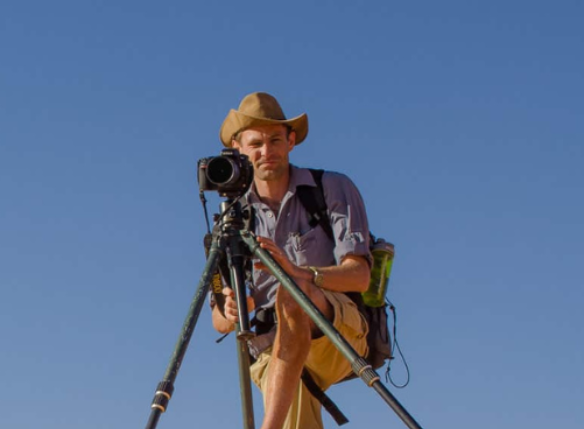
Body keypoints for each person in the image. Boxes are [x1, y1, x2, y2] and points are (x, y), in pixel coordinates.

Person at [211, 92, 372, 429]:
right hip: (273, 352)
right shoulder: (232, 218)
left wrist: (299, 273)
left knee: (292, 293)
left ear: (291, 141)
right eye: (255, 144)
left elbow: (359, 276)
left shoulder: (330, 188)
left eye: (275, 141)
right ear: (238, 149)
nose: (266, 151)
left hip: (336, 332)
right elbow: (219, 321)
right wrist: (230, 309)